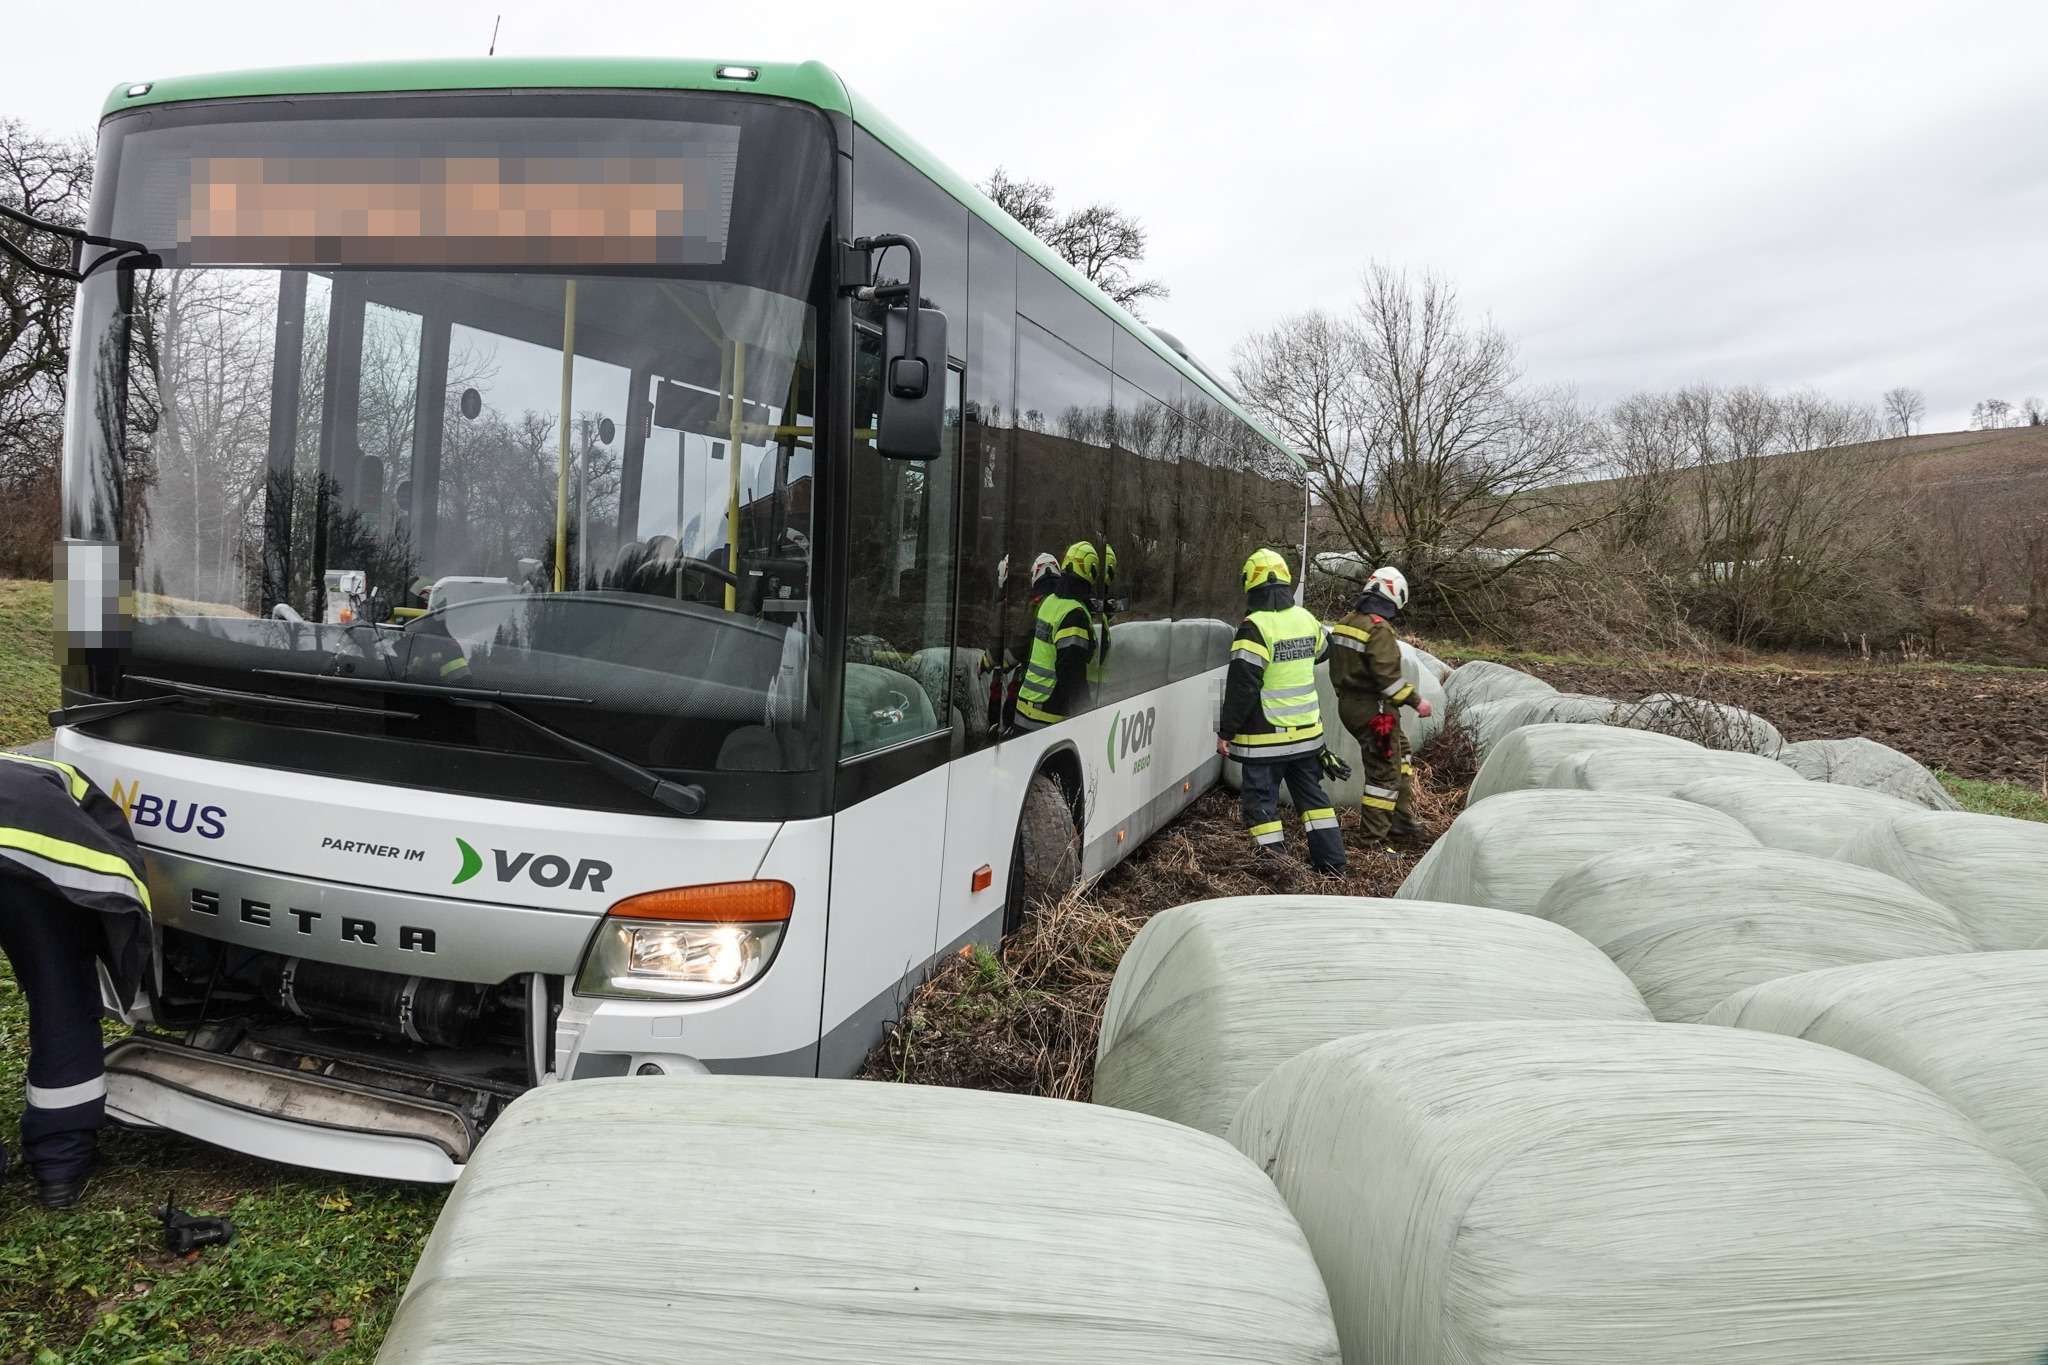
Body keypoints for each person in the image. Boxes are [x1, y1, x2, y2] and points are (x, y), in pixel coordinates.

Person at [0, 751, 151, 1208]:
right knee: (61, 1000)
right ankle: (59, 1170)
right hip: (38, 868)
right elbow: (117, 858)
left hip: (29, 851)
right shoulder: (46, 773)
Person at [1215, 548, 1346, 874]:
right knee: (1314, 802)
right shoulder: (1307, 619)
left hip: (1265, 740)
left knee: (1261, 805)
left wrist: (1226, 731)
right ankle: (1332, 865)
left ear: (1250, 584)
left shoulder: (1254, 628)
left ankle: (1278, 871)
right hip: (1307, 738)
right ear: (1286, 580)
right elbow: (1325, 650)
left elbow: (1242, 686)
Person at [1327, 565, 1431, 844]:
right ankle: (1372, 838)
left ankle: (1402, 822)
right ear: (1394, 595)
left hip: (1349, 706)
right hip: (1376, 714)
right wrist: (1417, 701)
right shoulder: (1378, 628)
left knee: (1402, 755)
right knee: (1383, 775)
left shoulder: (1346, 622)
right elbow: (1388, 681)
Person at [1012, 541, 1103, 732]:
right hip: (1048, 718)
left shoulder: (1048, 603)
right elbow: (1071, 673)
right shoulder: (1074, 614)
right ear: (1091, 571)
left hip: (1023, 711)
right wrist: (1086, 715)